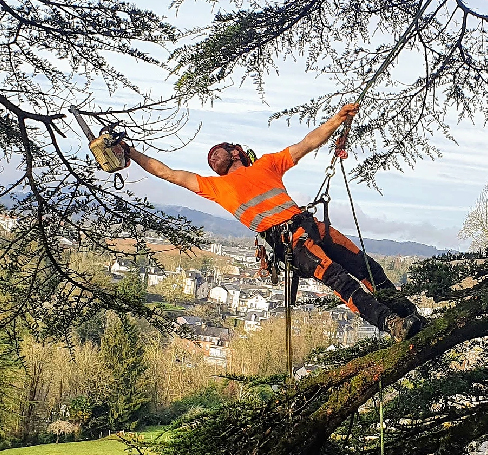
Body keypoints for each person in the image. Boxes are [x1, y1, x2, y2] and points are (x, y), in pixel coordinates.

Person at [127, 102, 422, 342]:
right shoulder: (215, 187)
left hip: (310, 227)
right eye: (209, 157)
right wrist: (129, 152)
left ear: (236, 151)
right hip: (290, 243)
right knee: (340, 280)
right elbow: (166, 173)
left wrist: (337, 119)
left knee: (369, 268)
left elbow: (306, 144)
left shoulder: (267, 165)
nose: (211, 156)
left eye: (218, 150)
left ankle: (413, 318)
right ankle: (392, 324)